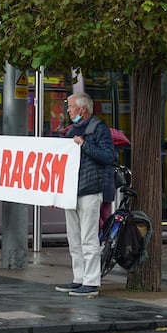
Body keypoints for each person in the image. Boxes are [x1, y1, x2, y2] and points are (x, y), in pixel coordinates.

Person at [55, 92, 116, 297]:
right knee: (74, 237)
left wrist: (85, 145)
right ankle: (79, 278)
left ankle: (91, 281)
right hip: (72, 191)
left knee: (88, 237)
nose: (68, 110)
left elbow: (109, 156)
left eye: (71, 107)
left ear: (83, 109)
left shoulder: (99, 129)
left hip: (90, 190)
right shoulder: (70, 131)